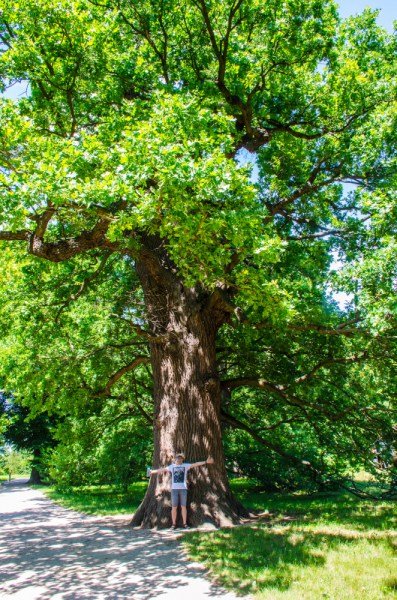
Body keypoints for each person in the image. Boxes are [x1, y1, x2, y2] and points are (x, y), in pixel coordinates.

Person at [148, 453, 214, 530]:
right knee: (174, 507)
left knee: (183, 506)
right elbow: (163, 469)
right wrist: (152, 471)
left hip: (183, 489)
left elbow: (195, 464)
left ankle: (184, 524)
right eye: (177, 458)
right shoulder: (172, 467)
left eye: (180, 458)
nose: (179, 459)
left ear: (182, 459)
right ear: (175, 459)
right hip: (174, 489)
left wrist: (206, 462)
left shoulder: (185, 466)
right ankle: (173, 524)